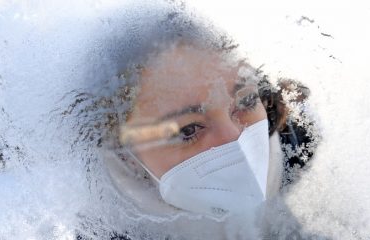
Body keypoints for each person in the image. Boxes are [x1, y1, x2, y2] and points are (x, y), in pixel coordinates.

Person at [68, 2, 320, 239]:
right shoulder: (88, 225)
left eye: (244, 102)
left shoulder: (295, 143)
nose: (235, 139)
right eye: (188, 129)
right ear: (125, 153)